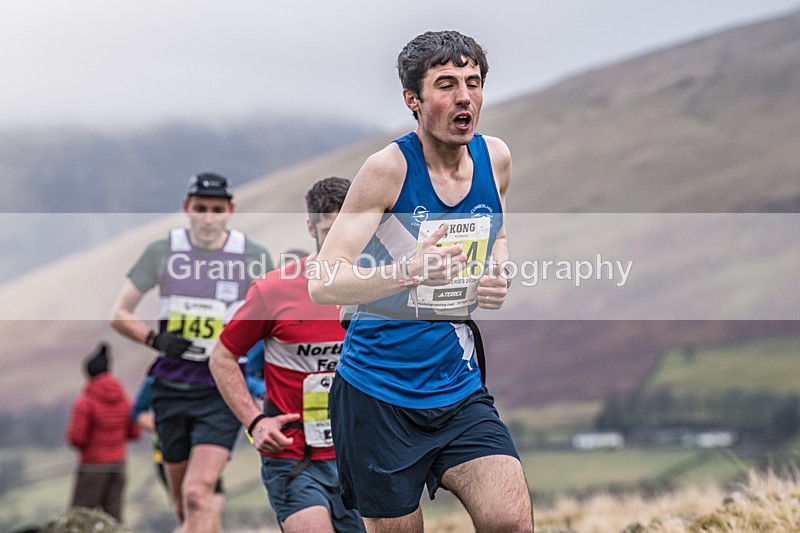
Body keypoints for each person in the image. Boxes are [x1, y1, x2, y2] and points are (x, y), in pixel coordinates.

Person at [308, 31, 533, 532]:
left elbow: (497, 232)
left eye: (473, 83)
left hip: (458, 387)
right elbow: (323, 282)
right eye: (446, 84)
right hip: (377, 394)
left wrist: (499, 268)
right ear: (413, 100)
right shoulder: (387, 169)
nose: (464, 97)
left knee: (511, 522)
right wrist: (408, 272)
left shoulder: (495, 159)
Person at [110, 172, 273, 533]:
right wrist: (155, 340)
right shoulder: (162, 251)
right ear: (187, 208)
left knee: (199, 494)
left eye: (217, 209)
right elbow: (119, 313)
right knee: (186, 507)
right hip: (170, 389)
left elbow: (277, 319)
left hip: (222, 392)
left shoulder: (253, 255)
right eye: (201, 208)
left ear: (231, 210)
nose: (208, 217)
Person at [210, 177, 365, 533]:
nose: (342, 242)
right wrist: (255, 421)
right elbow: (221, 358)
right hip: (294, 456)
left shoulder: (381, 286)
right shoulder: (274, 291)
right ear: (311, 227)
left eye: (350, 229)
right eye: (330, 231)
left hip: (361, 455)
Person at [129, 375, 226, 531]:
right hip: (169, 452)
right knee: (187, 510)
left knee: (208, 505)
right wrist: (166, 425)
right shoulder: (160, 374)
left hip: (203, 451)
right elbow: (137, 412)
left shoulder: (208, 371)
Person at [66, 342, 142, 523]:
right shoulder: (125, 401)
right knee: (113, 518)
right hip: (118, 465)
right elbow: (135, 433)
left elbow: (77, 438)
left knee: (79, 518)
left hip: (92, 466)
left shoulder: (85, 402)